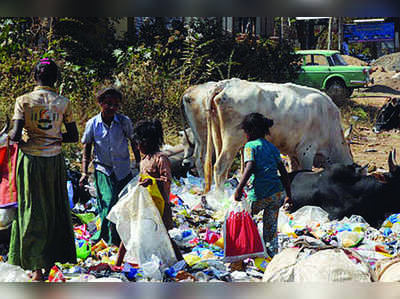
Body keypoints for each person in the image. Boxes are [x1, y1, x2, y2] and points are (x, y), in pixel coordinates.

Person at [8, 58, 79, 281]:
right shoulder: (63, 103)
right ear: (56, 79)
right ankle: (49, 264)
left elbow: (16, 135)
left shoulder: (23, 101)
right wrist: (53, 136)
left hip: (30, 162)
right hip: (54, 160)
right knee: (54, 207)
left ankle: (36, 267)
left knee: (32, 208)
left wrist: (14, 136)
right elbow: (73, 136)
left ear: (33, 77)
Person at [115, 119, 183, 266]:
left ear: (147, 142)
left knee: (164, 235)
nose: (137, 148)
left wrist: (152, 181)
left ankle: (182, 263)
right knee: (131, 231)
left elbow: (166, 180)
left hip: (159, 205)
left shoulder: (160, 159)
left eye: (138, 144)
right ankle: (118, 263)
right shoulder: (144, 160)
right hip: (143, 205)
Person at [80, 87, 141, 246]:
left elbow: (133, 142)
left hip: (123, 169)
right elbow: (86, 149)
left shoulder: (123, 122)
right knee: (107, 204)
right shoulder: (93, 124)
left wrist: (140, 163)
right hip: (103, 169)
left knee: (123, 205)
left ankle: (121, 238)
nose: (112, 107)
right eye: (108, 103)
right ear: (100, 103)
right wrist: (84, 172)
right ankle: (108, 239)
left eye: (116, 104)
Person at [234, 112, 293, 258]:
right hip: (277, 194)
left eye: (246, 131)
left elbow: (249, 167)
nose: (245, 135)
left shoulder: (250, 146)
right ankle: (272, 254)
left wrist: (239, 188)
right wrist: (289, 195)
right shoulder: (273, 148)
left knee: (244, 219)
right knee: (271, 227)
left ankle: (247, 250)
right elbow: (284, 172)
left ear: (252, 130)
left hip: (259, 194)